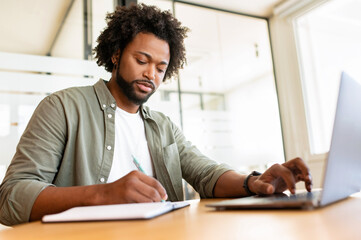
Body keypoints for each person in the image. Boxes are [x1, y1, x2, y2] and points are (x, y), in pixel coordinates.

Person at [0, 4, 312, 226]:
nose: (151, 73)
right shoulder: (63, 107)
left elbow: (206, 173)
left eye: (161, 68)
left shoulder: (163, 126)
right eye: (142, 60)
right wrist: (103, 194)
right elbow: (10, 198)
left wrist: (253, 182)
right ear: (116, 53)